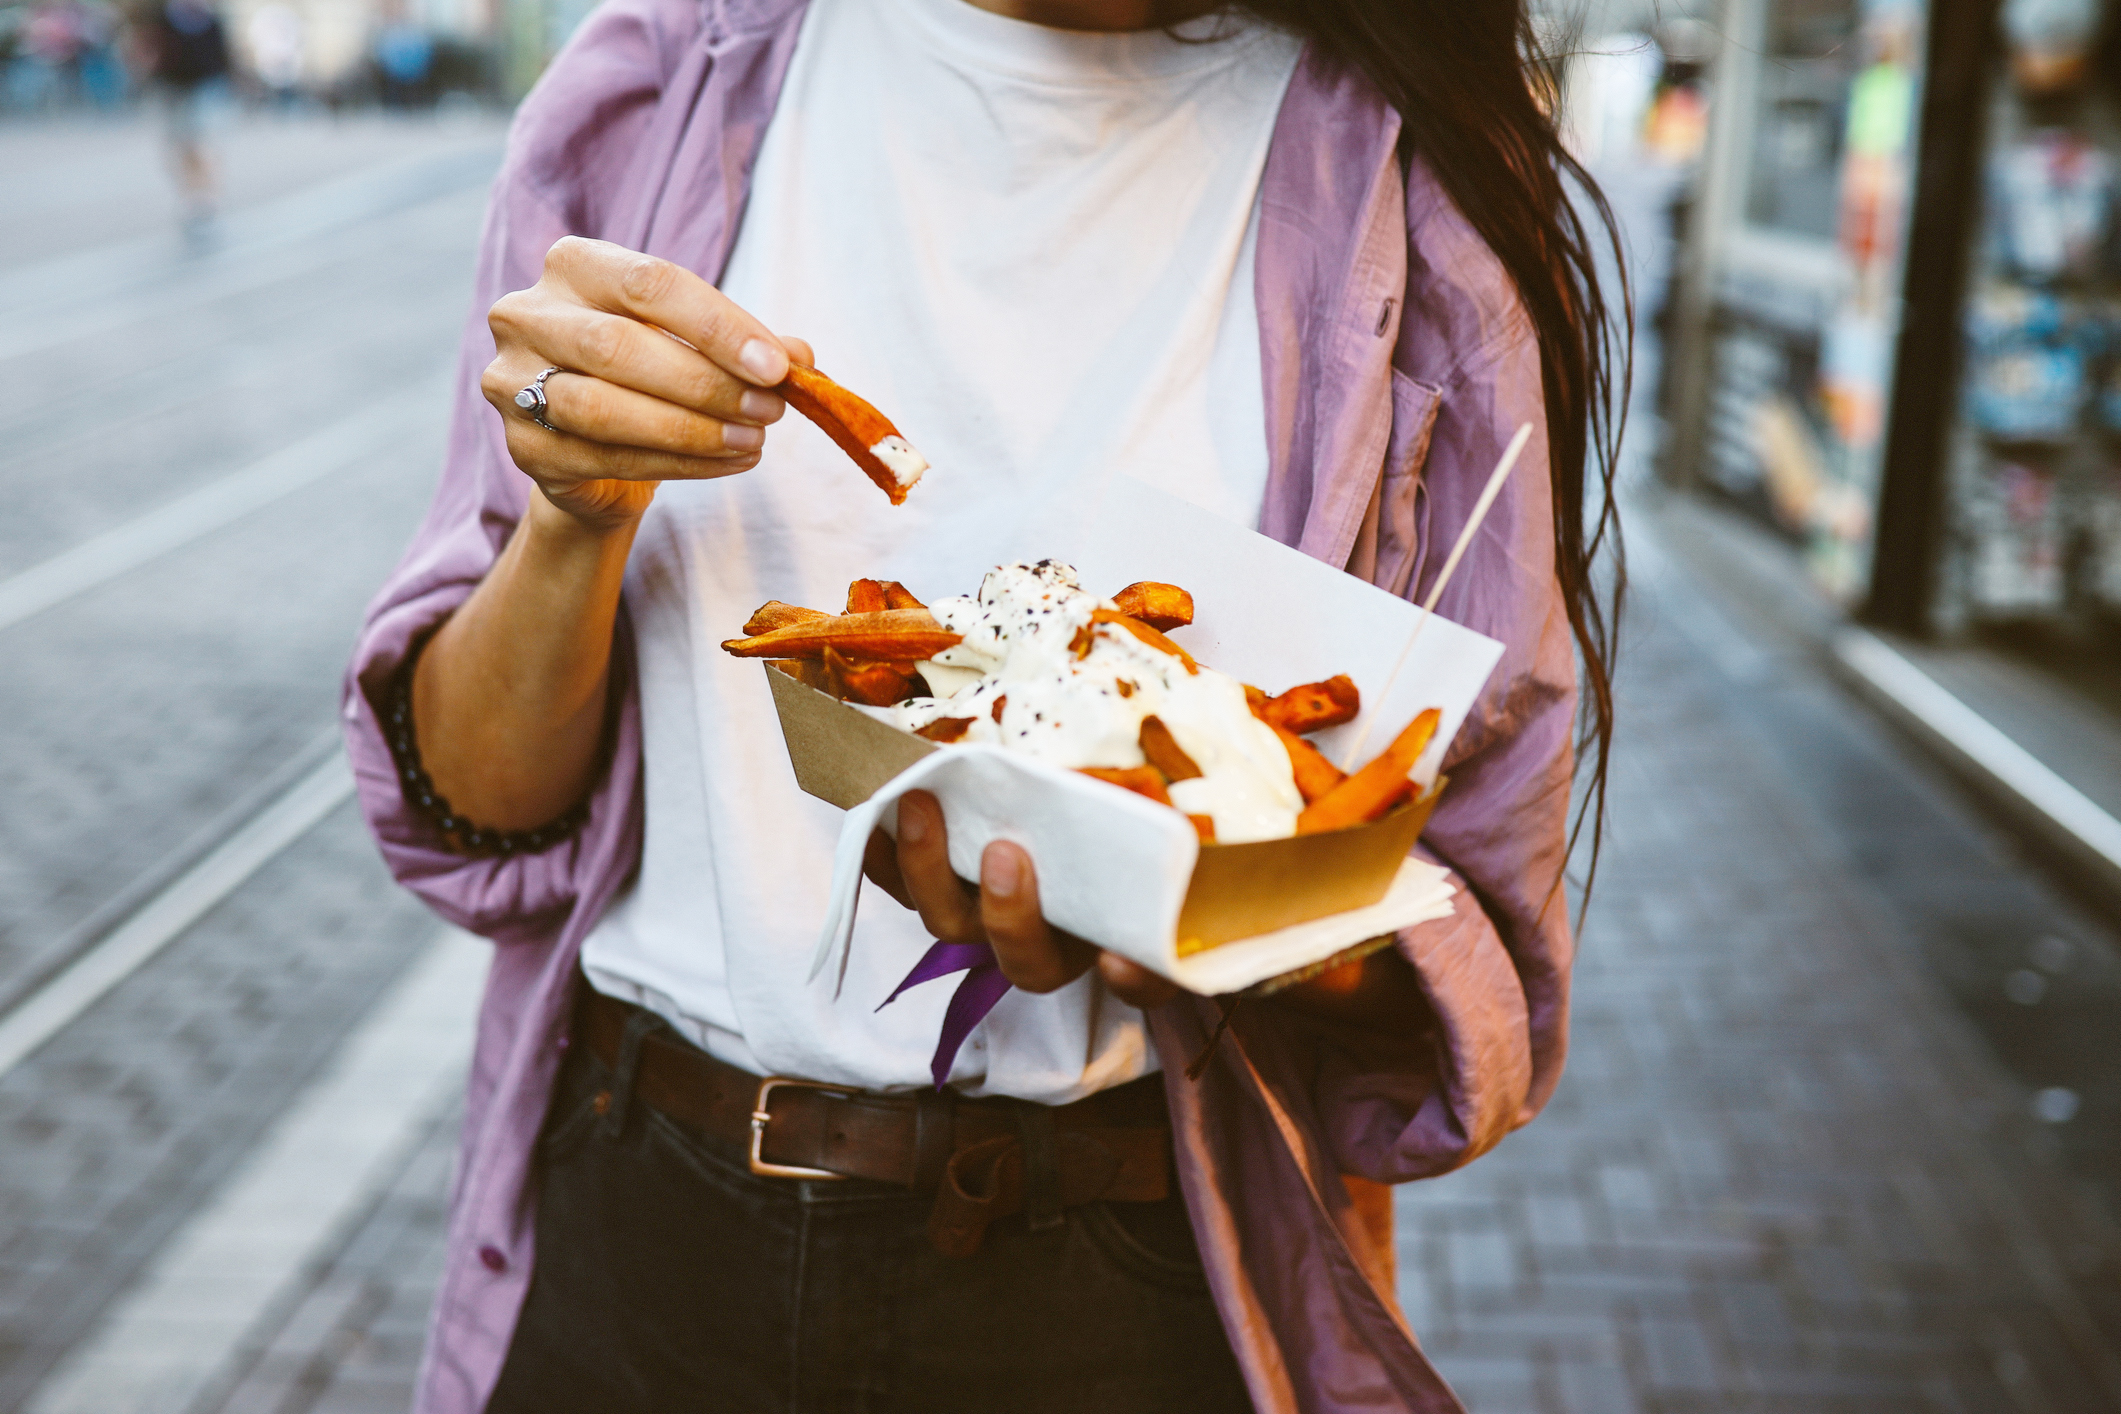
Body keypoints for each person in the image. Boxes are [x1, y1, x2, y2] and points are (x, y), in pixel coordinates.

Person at [345, 0, 1624, 1409]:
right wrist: (571, 523)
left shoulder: (1414, 185)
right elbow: (476, 808)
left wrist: (1208, 911)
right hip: (636, 1219)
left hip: (1116, 1281)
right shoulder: (658, 87)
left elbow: (1473, 944)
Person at [139, 0, 229, 233]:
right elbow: (150, 47)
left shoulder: (209, 18)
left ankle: (206, 194)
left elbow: (223, 54)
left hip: (203, 86)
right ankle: (189, 193)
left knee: (199, 143)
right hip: (171, 86)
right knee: (177, 144)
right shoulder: (163, 15)